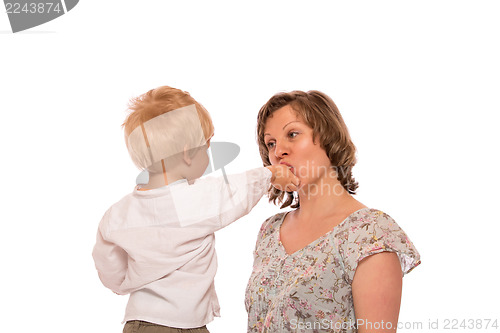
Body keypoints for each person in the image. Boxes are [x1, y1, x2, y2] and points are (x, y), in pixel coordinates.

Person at [92, 86, 299, 333]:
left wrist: (127, 282)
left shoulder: (118, 214)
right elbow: (235, 192)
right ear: (188, 154)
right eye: (206, 146)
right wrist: (272, 174)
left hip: (138, 321)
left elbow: (108, 266)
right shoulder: (192, 200)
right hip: (182, 326)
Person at [245, 90, 421, 333]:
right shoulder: (270, 230)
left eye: (293, 134)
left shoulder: (370, 233)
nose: (278, 152)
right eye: (271, 143)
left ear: (328, 138)